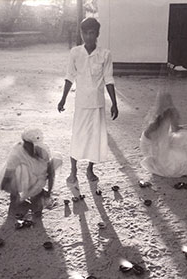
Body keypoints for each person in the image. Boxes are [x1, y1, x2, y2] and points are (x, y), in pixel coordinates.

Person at [58, 17, 118, 183]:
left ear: (97, 34)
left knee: (95, 137)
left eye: (92, 33)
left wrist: (114, 102)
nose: (88, 37)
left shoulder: (105, 54)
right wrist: (63, 99)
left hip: (98, 104)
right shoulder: (75, 53)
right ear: (81, 33)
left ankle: (90, 170)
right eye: (85, 33)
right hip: (81, 104)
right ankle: (73, 171)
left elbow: (109, 79)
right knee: (77, 136)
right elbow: (69, 76)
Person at [0, 128, 62, 209]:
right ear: (25, 142)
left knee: (57, 159)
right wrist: (8, 188)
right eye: (31, 144)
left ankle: (36, 192)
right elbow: (8, 174)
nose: (34, 147)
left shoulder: (43, 150)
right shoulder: (16, 152)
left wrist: (49, 192)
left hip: (35, 176)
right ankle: (18, 195)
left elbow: (50, 172)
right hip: (22, 177)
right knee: (20, 170)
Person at [140, 92, 187, 178]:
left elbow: (175, 128)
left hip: (163, 141)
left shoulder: (170, 111)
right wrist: (159, 147)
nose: (170, 103)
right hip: (153, 146)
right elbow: (148, 137)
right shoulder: (157, 118)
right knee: (177, 159)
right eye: (168, 101)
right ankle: (166, 167)